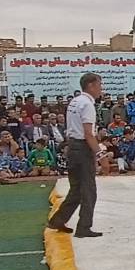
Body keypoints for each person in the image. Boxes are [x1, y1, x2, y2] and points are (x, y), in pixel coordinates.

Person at [47, 73, 103, 239]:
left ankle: (58, 220)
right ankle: (84, 227)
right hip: (82, 148)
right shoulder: (87, 105)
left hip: (72, 146)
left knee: (76, 189)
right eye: (99, 84)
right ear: (91, 85)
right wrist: (100, 153)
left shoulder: (75, 101)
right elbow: (88, 134)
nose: (101, 88)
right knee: (88, 190)